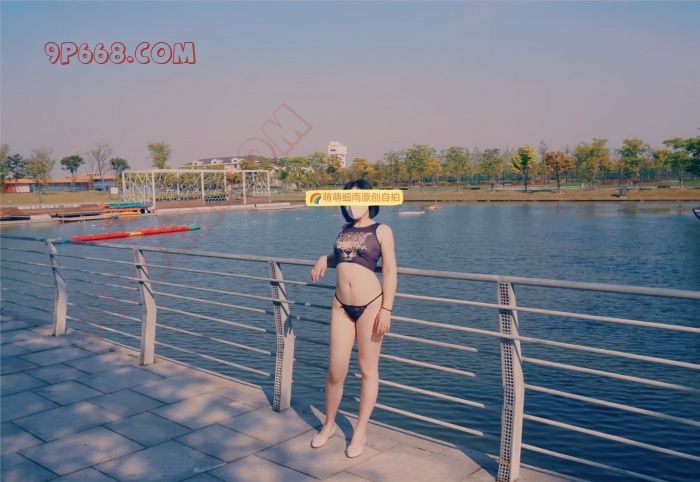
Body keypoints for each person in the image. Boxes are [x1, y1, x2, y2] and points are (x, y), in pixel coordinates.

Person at [309, 179, 398, 458]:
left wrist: (386, 309)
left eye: (357, 198)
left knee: (367, 370)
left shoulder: (382, 230)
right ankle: (329, 425)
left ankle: (360, 431)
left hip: (371, 306)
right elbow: (344, 257)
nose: (352, 204)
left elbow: (390, 271)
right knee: (336, 370)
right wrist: (324, 258)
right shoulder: (343, 230)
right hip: (341, 306)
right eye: (347, 200)